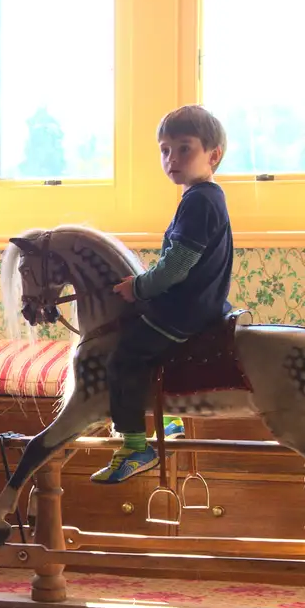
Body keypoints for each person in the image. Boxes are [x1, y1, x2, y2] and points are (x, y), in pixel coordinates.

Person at [94, 105, 235, 484]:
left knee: (125, 356)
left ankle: (137, 446)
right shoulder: (201, 197)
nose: (172, 158)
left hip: (185, 310)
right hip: (199, 304)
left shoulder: (199, 201)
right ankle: (167, 420)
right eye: (165, 149)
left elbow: (177, 267)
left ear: (213, 155)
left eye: (184, 148)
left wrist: (138, 286)